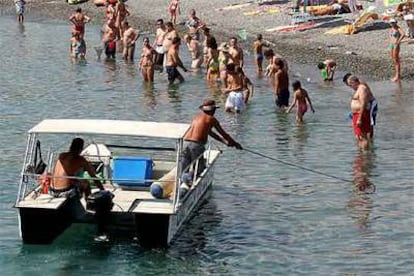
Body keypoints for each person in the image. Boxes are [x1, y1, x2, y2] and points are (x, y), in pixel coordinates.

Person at [180, 99, 242, 191]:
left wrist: (225, 142)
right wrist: (235, 143)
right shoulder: (211, 119)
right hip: (196, 145)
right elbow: (224, 134)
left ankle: (181, 183)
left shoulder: (197, 117)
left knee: (184, 168)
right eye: (214, 110)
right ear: (212, 110)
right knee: (200, 169)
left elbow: (210, 133)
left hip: (185, 142)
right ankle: (187, 181)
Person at [343, 74, 378, 149]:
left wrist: (359, 118)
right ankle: (363, 153)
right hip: (357, 113)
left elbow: (363, 103)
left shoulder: (362, 88)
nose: (350, 87)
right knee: (360, 136)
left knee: (362, 136)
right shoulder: (359, 88)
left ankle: (365, 155)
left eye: (350, 85)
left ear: (354, 82)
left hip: (361, 113)